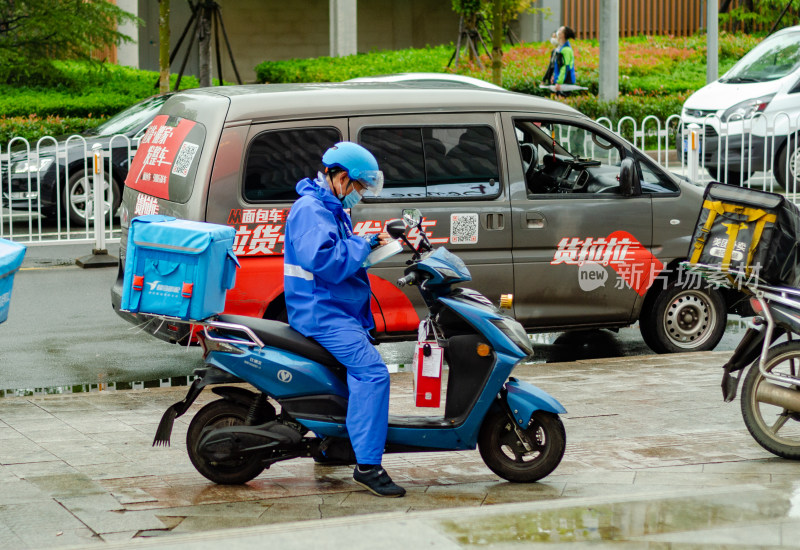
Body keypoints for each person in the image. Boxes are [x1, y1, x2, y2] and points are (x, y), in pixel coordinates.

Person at [282, 141, 406, 498]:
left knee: (346, 373)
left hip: (334, 308)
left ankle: (331, 444)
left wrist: (369, 244)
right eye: (359, 186)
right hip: (322, 312)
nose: (360, 195)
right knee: (372, 372)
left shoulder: (329, 206)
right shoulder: (311, 209)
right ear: (339, 177)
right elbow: (327, 262)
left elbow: (340, 254)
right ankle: (367, 465)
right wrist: (364, 243)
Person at [552, 26, 577, 95]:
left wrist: (559, 82)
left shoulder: (566, 50)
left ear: (563, 35)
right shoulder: (561, 48)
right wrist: (554, 77)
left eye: (560, 30)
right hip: (561, 81)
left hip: (565, 82)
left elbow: (565, 67)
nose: (558, 31)